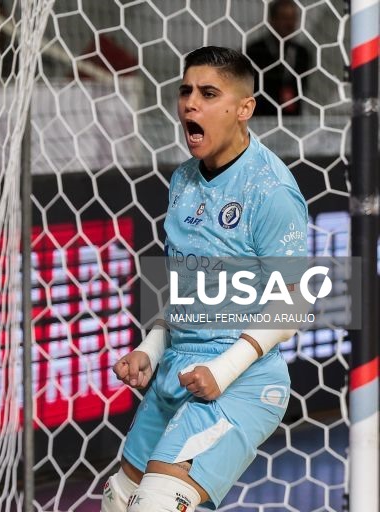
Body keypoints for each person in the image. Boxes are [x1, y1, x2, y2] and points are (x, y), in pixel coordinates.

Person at [101, 46, 308, 511]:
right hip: (179, 370)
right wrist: (151, 348)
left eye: (209, 93)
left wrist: (224, 368)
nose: (190, 103)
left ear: (244, 109)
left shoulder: (271, 190)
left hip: (244, 382)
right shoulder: (183, 181)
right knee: (120, 501)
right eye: (186, 91)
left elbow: (296, 302)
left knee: (154, 505)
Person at [246, 0, 311, 116]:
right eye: (284, 18)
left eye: (293, 18)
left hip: (292, 122)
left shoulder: (302, 53)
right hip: (261, 120)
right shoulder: (254, 51)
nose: (289, 24)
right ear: (272, 21)